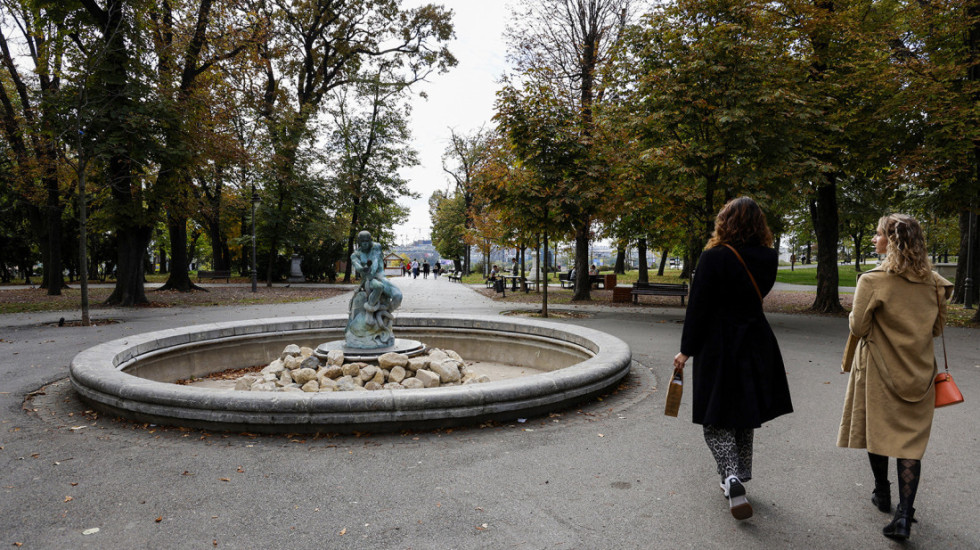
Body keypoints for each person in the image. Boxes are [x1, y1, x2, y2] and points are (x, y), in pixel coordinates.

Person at [673, 196, 793, 521]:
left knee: (714, 419)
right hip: (756, 340)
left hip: (718, 343)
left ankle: (730, 476)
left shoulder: (713, 258)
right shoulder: (768, 258)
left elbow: (699, 307)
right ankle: (739, 477)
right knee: (743, 413)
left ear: (727, 222)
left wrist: (686, 349)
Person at [837, 214, 952, 541]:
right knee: (910, 444)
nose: (874, 240)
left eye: (878, 235)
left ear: (893, 241)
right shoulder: (934, 283)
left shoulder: (873, 282)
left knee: (878, 429)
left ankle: (882, 492)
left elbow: (858, 328)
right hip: (919, 373)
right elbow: (937, 328)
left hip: (879, 371)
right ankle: (904, 514)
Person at [346, 231, 402, 348]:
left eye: (367, 241)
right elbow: (356, 265)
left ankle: (384, 313)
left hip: (380, 277)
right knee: (378, 286)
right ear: (359, 242)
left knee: (398, 296)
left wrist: (372, 270)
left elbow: (376, 261)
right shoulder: (355, 255)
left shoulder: (376, 247)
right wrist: (362, 269)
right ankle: (370, 313)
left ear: (370, 240)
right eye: (363, 241)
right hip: (368, 280)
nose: (365, 243)